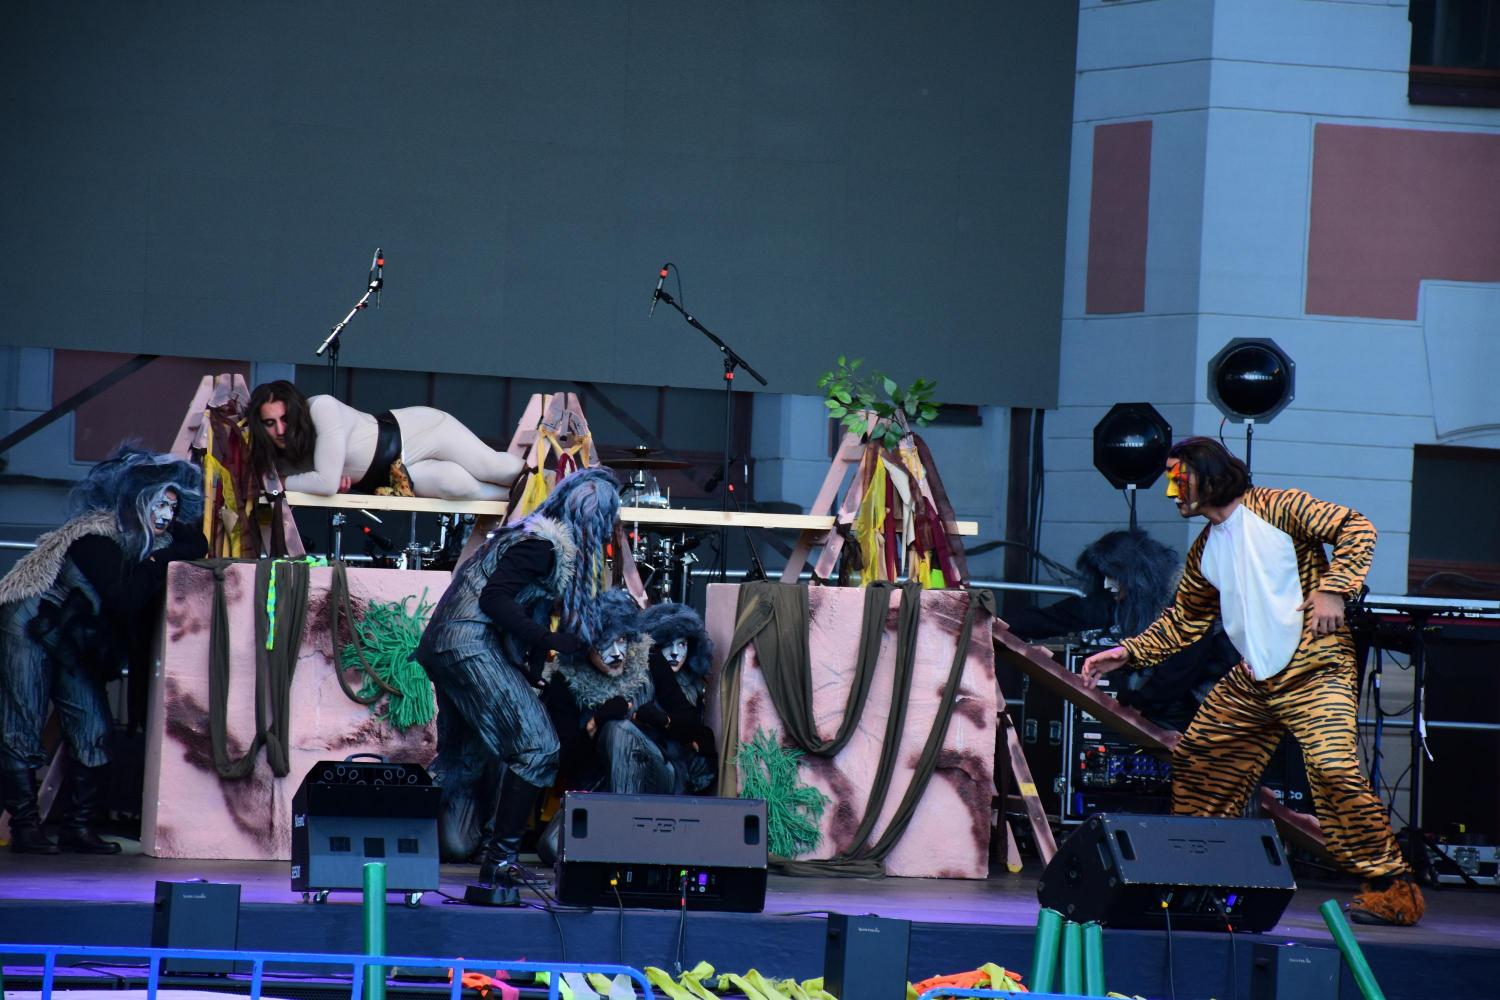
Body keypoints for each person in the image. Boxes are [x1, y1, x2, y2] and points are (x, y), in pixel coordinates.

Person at [1081, 437, 1423, 926]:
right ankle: (1197, 877)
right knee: (1201, 759)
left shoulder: (1279, 507)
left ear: (1207, 474)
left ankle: (1392, 888)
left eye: (1178, 478)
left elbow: (1356, 526)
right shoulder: (1205, 549)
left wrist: (1333, 589)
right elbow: (1185, 621)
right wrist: (1127, 652)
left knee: (1333, 768)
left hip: (1315, 667)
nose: (1172, 491)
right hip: (1255, 678)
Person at [415, 467, 620, 900]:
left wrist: (528, 666)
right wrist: (548, 640)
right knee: (537, 745)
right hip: (467, 644)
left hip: (453, 644)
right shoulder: (542, 546)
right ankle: (501, 862)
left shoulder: (530, 538)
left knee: (464, 757)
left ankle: (393, 841)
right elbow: (494, 599)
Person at [0, 446, 206, 854]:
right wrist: (159, 558)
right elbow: (125, 597)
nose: (166, 514)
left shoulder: (145, 543)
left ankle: (77, 828)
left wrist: (162, 549)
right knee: (21, 723)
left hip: (72, 641)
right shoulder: (94, 536)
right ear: (135, 502)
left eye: (172, 505)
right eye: (158, 503)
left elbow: (195, 541)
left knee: (93, 727)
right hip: (29, 628)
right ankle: (24, 827)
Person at [1007, 529, 1239, 732]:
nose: (1107, 585)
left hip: (1222, 705)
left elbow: (1182, 667)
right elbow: (1067, 615)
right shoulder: (1129, 595)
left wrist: (1140, 704)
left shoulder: (1188, 592)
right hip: (1186, 698)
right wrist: (1002, 624)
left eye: (1113, 576)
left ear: (1134, 574)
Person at [246, 380, 523, 500]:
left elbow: (326, 483)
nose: (280, 429)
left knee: (496, 467)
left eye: (285, 419)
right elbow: (324, 484)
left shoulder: (321, 407)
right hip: (395, 476)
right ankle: (528, 500)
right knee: (458, 488)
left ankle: (546, 478)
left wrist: (284, 482)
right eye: (270, 423)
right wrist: (314, 482)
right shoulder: (280, 453)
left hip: (416, 432)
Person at [542, 589, 669, 795]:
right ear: (585, 646)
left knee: (619, 731)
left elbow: (686, 718)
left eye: (621, 640)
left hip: (654, 777)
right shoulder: (565, 681)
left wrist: (663, 720)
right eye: (605, 643)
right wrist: (595, 723)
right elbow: (562, 762)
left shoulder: (649, 660)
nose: (617, 653)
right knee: (615, 730)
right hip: (594, 786)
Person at [633, 601, 718, 793]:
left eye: (681, 644)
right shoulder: (641, 679)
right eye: (667, 644)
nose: (674, 653)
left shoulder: (693, 685)